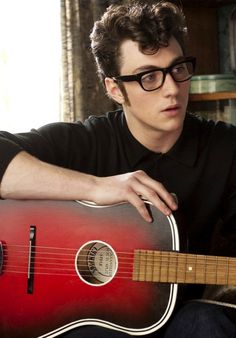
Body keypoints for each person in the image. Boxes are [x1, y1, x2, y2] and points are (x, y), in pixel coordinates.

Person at [0, 1, 235, 337]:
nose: (172, 89)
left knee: (205, 321)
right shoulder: (87, 141)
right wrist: (96, 187)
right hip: (78, 320)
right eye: (149, 76)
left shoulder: (227, 149)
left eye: (178, 68)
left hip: (178, 323)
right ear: (115, 89)